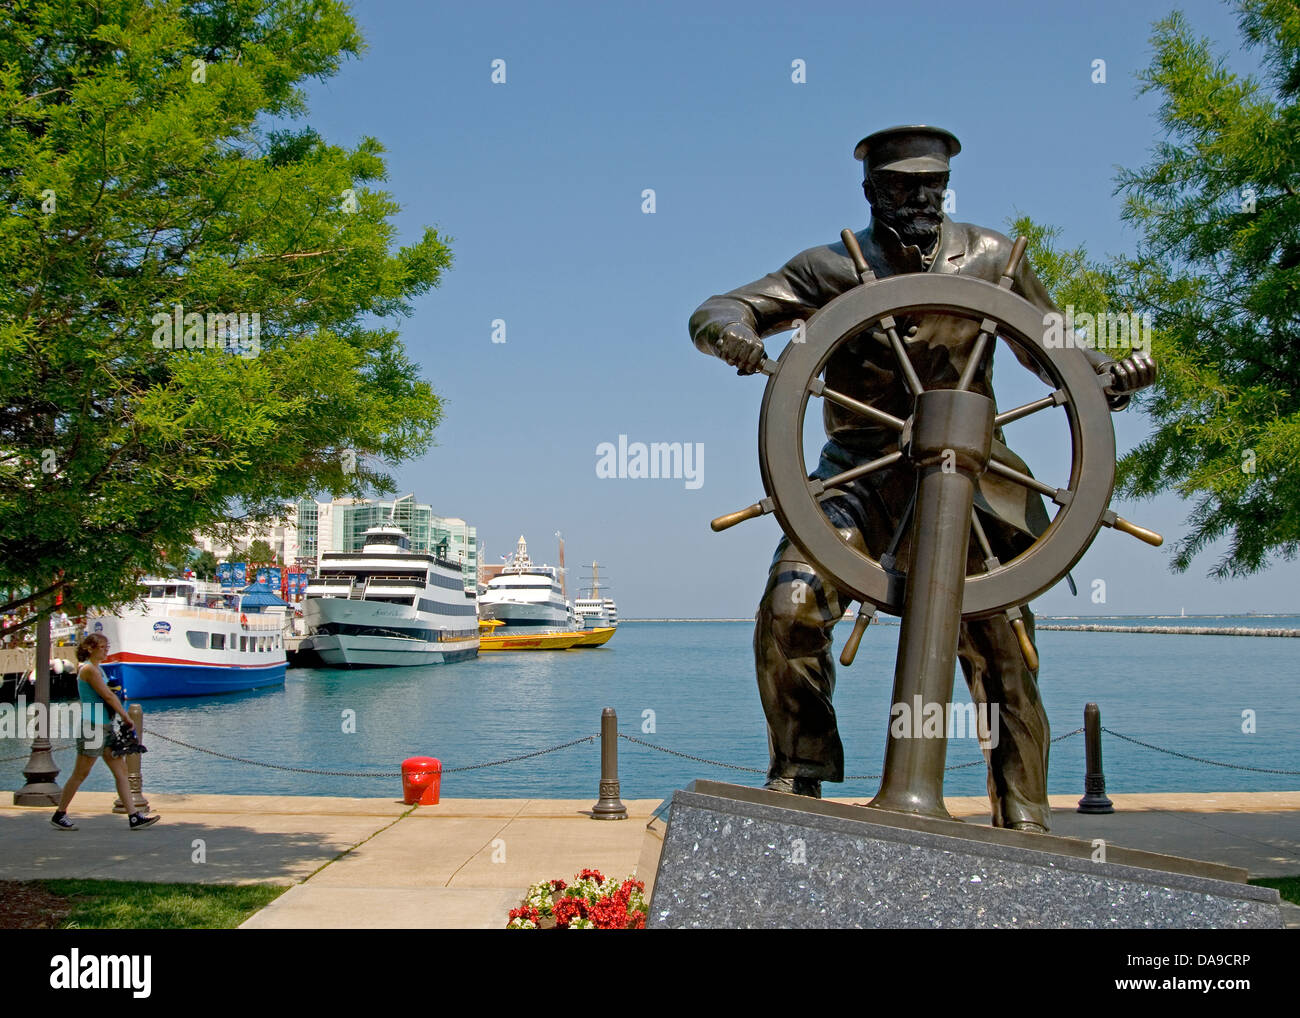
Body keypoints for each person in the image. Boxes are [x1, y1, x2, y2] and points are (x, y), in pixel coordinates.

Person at [689, 125, 1156, 831]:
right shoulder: (829, 269)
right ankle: (801, 773)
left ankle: (1024, 816)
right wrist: (730, 332)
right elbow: (722, 307)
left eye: (932, 185)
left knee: (1004, 647)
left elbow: (1058, 348)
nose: (920, 198)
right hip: (861, 475)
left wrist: (1107, 378)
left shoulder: (994, 259)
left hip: (974, 480)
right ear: (873, 190)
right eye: (904, 186)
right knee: (791, 607)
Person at [50, 633, 159, 831]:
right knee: (80, 773)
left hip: (105, 727)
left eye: (107, 646)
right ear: (90, 648)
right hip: (92, 727)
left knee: (121, 771)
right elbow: (107, 696)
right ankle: (60, 813)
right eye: (102, 646)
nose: (105, 650)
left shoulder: (99, 669)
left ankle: (134, 816)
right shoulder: (89, 670)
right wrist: (125, 716)